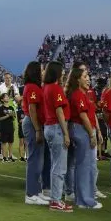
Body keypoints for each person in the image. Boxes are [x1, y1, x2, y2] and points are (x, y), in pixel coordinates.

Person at [67, 66, 102, 209]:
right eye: (85, 76)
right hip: (82, 130)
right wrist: (92, 134)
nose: (88, 79)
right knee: (84, 166)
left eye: (88, 76)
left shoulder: (82, 94)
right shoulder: (78, 95)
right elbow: (83, 116)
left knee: (84, 166)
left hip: (83, 130)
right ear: (77, 79)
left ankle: (83, 198)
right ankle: (84, 201)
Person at [42, 60, 72, 212]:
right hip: (57, 128)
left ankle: (55, 198)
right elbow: (59, 111)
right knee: (60, 167)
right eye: (62, 72)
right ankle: (56, 200)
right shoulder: (55, 88)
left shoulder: (46, 87)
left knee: (55, 165)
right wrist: (66, 133)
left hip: (49, 126)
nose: (64, 74)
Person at [21, 61, 47, 205]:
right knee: (33, 159)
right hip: (32, 123)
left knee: (38, 160)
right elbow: (32, 110)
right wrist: (37, 129)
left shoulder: (35, 86)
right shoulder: (32, 87)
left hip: (35, 123)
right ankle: (31, 194)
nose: (43, 72)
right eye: (41, 70)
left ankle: (36, 191)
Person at [0, 91, 17, 162]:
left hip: (10, 127)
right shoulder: (1, 108)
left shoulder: (11, 107)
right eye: (5, 97)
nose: (7, 98)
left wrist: (13, 115)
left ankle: (10, 156)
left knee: (11, 142)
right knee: (4, 142)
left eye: (8, 96)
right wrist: (8, 115)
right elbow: (0, 118)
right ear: (2, 99)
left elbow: (14, 117)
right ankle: (4, 157)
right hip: (4, 127)